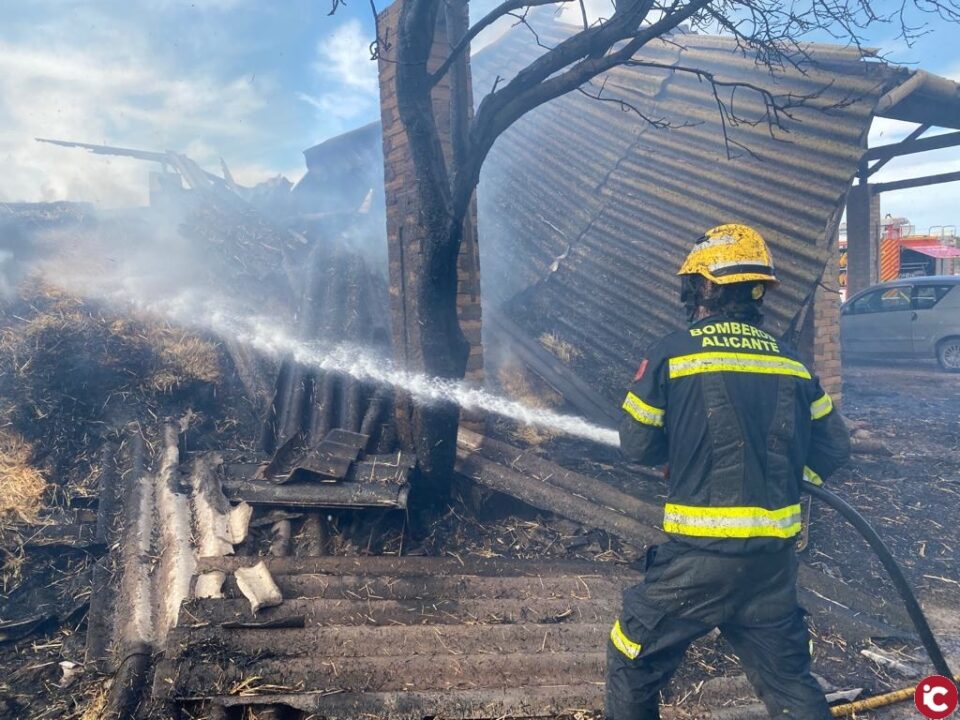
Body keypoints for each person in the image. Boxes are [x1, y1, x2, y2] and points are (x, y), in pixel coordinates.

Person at [606, 224, 850, 720]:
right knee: (789, 685)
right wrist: (791, 481)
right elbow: (835, 446)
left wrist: (680, 452)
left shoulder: (673, 354)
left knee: (630, 657)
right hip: (771, 566)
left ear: (706, 287)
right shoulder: (791, 362)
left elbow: (636, 445)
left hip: (698, 562)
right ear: (757, 290)